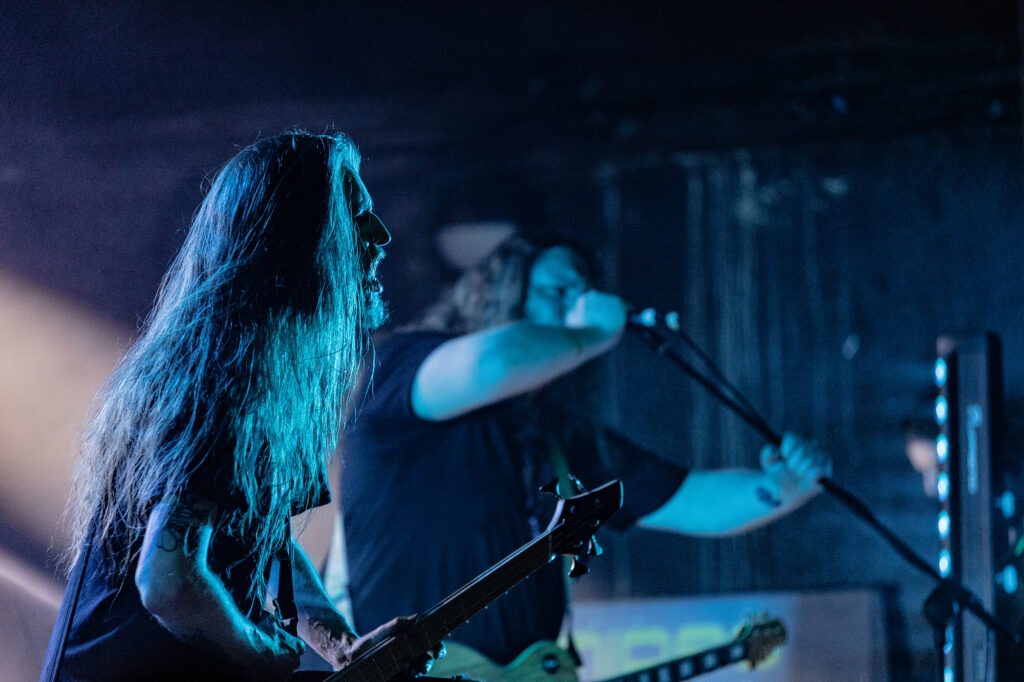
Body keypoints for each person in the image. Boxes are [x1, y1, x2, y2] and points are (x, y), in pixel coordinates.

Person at [334, 232, 833, 675]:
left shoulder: (553, 435)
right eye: (558, 293)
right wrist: (593, 333)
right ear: (500, 295)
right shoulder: (404, 363)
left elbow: (693, 499)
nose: (578, 308)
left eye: (585, 296)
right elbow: (493, 360)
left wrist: (787, 487)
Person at [41, 131, 428, 681]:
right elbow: (169, 582)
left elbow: (258, 535)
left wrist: (340, 645)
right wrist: (253, 649)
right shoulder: (226, 370)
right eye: (358, 216)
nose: (382, 234)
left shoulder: (268, 368)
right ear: (301, 237)